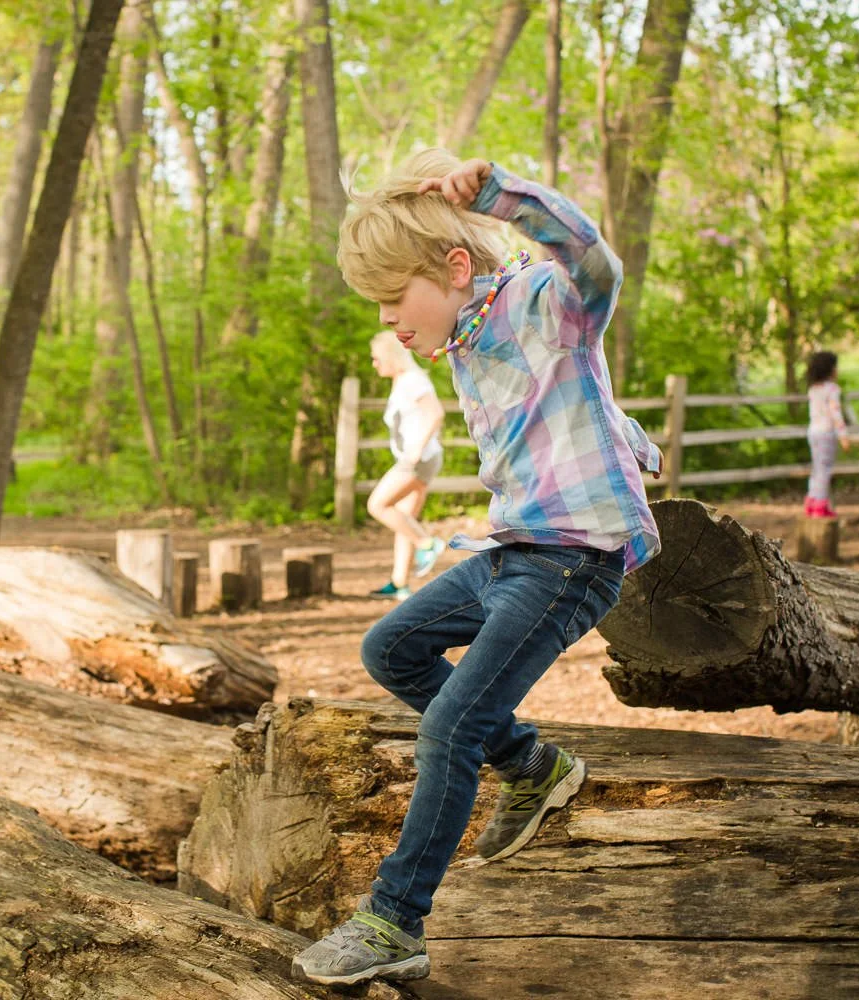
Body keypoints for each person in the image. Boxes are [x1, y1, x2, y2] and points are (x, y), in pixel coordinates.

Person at [290, 150, 662, 987]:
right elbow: (573, 402)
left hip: (572, 561)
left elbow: (596, 266)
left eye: (394, 297)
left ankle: (394, 920)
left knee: (451, 727)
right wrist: (628, 435)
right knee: (391, 650)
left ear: (456, 269)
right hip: (511, 553)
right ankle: (533, 767)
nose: (387, 319)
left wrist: (500, 196)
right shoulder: (466, 342)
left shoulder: (538, 303)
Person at [367, 332, 447, 600]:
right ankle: (399, 583)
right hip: (418, 459)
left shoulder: (413, 380)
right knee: (404, 519)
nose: (374, 364)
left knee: (378, 505)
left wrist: (416, 449)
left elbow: (436, 413)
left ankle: (428, 543)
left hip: (417, 461)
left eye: (377, 359)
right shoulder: (402, 381)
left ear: (391, 356)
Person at [805, 350, 850, 519]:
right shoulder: (832, 389)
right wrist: (843, 436)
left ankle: (812, 502)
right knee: (824, 470)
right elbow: (835, 414)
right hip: (826, 433)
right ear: (830, 369)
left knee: (817, 468)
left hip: (813, 432)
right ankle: (820, 506)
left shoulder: (813, 389)